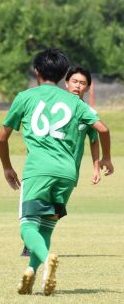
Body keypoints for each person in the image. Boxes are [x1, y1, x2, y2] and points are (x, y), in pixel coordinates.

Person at [0, 49, 114, 296]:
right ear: (64, 76)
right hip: (68, 174)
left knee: (27, 227)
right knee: (46, 227)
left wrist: (7, 166)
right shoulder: (74, 102)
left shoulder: (25, 97)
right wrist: (106, 158)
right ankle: (31, 271)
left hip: (39, 170)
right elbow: (102, 129)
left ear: (36, 72)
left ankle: (46, 257)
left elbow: (1, 137)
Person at [20, 66, 102, 257]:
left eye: (82, 83)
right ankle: (33, 246)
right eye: (74, 81)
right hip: (44, 166)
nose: (78, 86)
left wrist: (96, 167)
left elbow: (94, 140)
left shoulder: (88, 112)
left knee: (50, 212)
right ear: (66, 83)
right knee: (39, 207)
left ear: (88, 87)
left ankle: (37, 246)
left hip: (68, 170)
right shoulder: (54, 107)